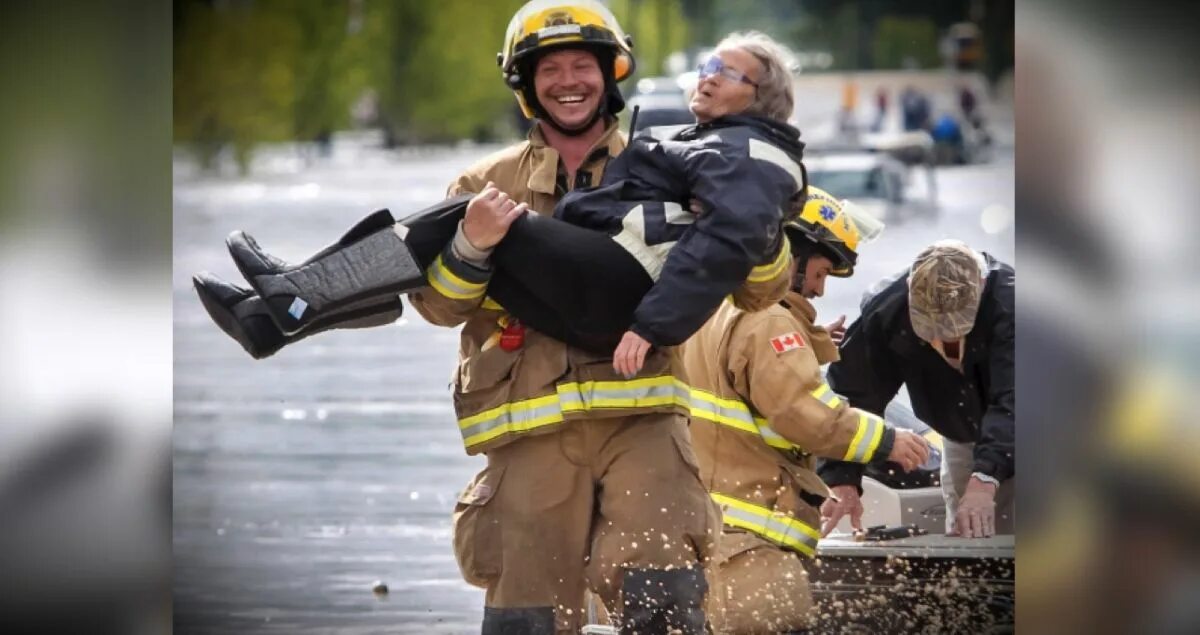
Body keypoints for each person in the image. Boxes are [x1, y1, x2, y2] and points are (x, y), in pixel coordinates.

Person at [195, 30, 809, 376]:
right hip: (576, 325)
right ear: (526, 88)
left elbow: (734, 250)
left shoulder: (752, 157)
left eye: (726, 74)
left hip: (624, 314)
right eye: (707, 64)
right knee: (467, 221)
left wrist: (653, 326)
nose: (706, 76)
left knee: (469, 213)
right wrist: (476, 246)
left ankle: (296, 293)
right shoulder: (712, 147)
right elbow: (438, 305)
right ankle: (278, 313)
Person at [679, 187, 931, 633]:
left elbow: (751, 391)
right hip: (751, 556)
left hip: (707, 541)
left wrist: (807, 345)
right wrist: (887, 441)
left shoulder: (712, 305)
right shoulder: (769, 320)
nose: (818, 288)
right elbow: (802, 412)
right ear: (789, 251)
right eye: (820, 272)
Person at [819, 239, 1014, 539]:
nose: (939, 343)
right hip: (960, 433)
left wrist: (985, 479)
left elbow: (1017, 404)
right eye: (930, 333)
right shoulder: (886, 311)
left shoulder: (1014, 309)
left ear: (981, 286)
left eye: (950, 333)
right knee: (969, 539)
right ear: (909, 290)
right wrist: (842, 478)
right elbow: (853, 393)